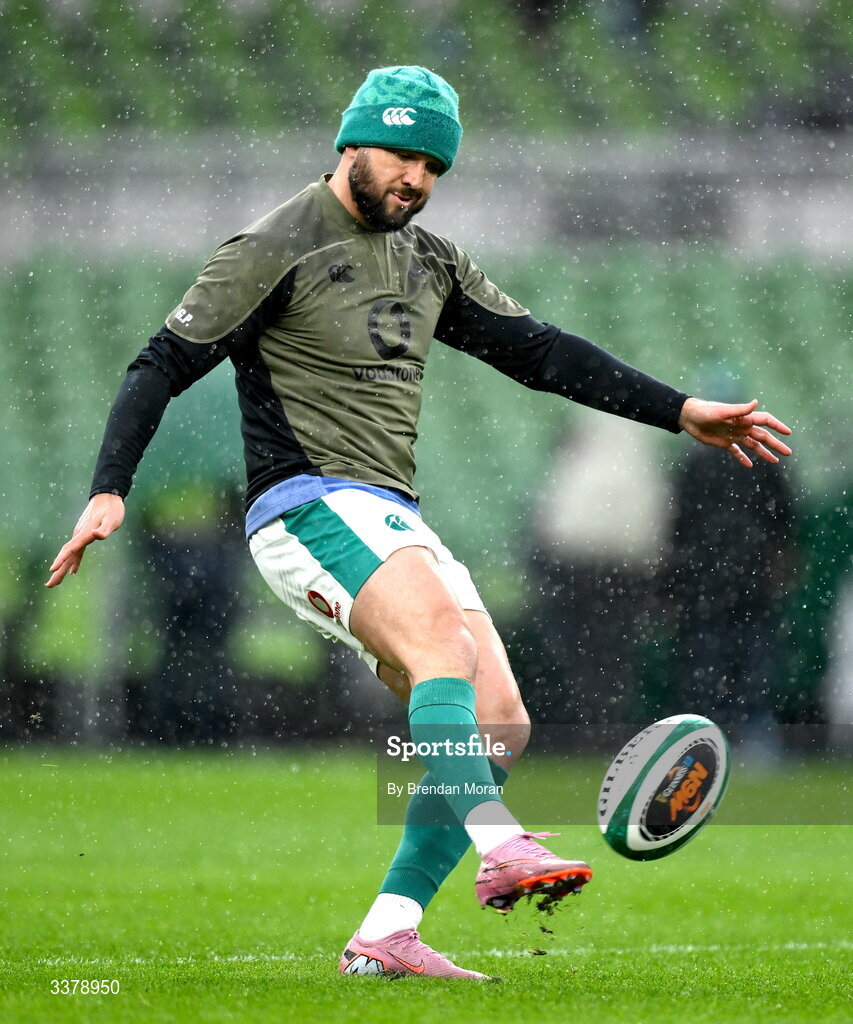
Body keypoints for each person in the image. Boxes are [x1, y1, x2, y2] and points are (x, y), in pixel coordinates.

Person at [47, 66, 793, 981]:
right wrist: (109, 488)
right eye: (402, 155)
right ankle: (500, 845)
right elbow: (160, 362)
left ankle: (387, 934)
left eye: (434, 166)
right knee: (443, 645)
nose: (417, 178)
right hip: (305, 503)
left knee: (501, 720)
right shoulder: (275, 244)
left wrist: (677, 410)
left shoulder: (430, 260)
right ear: (351, 144)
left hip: (388, 511)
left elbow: (540, 352)